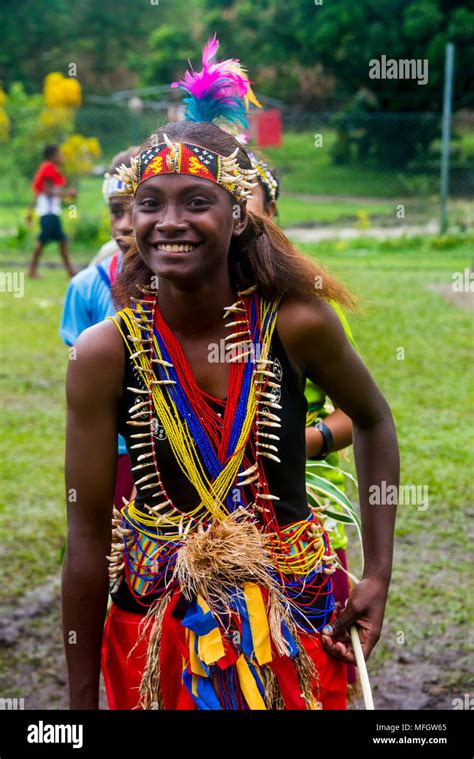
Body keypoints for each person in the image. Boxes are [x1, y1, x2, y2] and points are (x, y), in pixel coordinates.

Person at [63, 39, 398, 711]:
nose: (168, 222)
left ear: (238, 213)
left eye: (195, 201)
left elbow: (372, 418)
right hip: (156, 632)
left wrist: (378, 574)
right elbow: (86, 536)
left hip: (297, 618)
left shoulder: (297, 324)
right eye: (149, 203)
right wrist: (78, 703)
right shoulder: (105, 352)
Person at [246, 149, 358, 690]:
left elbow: (358, 417)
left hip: (306, 518)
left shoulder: (303, 310)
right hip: (220, 531)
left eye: (246, 200)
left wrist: (299, 444)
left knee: (315, 656)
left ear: (270, 212)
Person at [60, 147, 138, 510]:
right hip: (114, 448)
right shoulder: (87, 288)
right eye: (116, 210)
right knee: (111, 542)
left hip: (183, 449)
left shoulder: (188, 289)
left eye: (138, 207)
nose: (124, 224)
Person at [28, 145, 77, 278]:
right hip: (49, 213)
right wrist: (68, 193)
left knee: (61, 242)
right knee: (43, 242)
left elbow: (38, 193)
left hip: (49, 212)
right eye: (59, 154)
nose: (61, 156)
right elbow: (47, 192)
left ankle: (70, 271)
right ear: (52, 156)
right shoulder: (49, 168)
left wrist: (30, 211)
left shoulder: (48, 168)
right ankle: (32, 271)